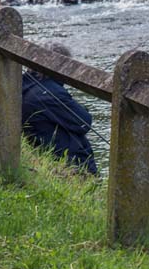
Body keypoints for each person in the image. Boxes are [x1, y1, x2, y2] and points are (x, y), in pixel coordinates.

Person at [22, 42, 98, 175]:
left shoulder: (25, 85)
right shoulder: (52, 94)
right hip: (67, 161)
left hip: (40, 149)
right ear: (61, 67)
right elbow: (84, 122)